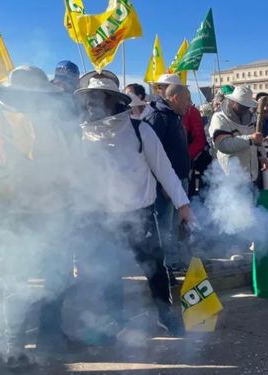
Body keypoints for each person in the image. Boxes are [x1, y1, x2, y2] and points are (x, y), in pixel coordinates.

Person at [75, 72, 194, 337]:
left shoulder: (141, 130)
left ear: (115, 101)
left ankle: (165, 315)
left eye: (98, 98)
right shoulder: (81, 136)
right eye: (89, 99)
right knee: (109, 270)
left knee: (155, 268)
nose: (92, 105)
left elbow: (164, 170)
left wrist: (183, 205)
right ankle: (115, 320)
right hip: (103, 217)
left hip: (140, 214)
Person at [0, 65, 75, 367]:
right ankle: (8, 351)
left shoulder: (44, 123)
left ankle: (25, 343)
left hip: (40, 214)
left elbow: (64, 170)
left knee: (33, 281)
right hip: (8, 216)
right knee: (9, 284)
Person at [143, 83, 193, 269]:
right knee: (164, 225)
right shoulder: (158, 117)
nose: (190, 103)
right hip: (165, 184)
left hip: (178, 180)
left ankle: (172, 261)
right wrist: (163, 183)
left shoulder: (174, 117)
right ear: (175, 98)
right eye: (187, 99)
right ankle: (165, 265)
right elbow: (151, 154)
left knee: (174, 224)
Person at [209, 85, 268, 185]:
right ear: (233, 101)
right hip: (230, 177)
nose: (245, 109)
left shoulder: (250, 117)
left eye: (247, 106)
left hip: (251, 175)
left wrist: (262, 156)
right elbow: (223, 144)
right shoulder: (219, 118)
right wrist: (250, 139)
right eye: (242, 105)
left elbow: (257, 139)